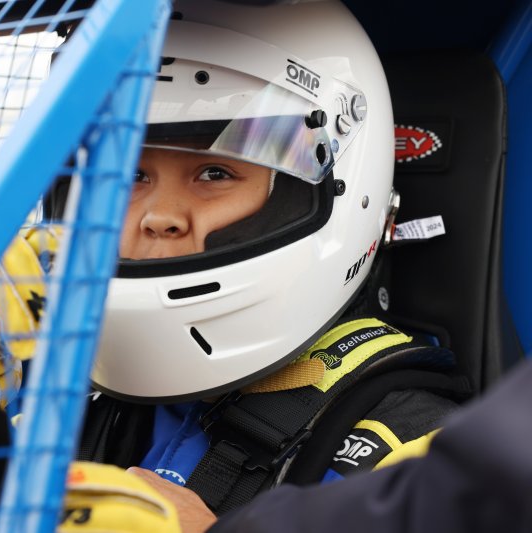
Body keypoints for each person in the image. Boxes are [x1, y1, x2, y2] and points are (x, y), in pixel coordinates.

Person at [60, 0, 471, 530]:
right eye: (130, 176)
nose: (159, 216)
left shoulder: (415, 457)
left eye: (214, 173)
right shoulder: (47, 383)